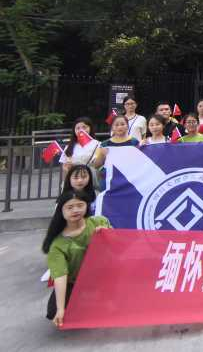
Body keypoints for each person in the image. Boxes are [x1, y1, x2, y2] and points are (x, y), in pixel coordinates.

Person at [43, 189, 111, 327]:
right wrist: (61, 309)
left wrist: (107, 235)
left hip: (101, 276)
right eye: (70, 207)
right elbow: (60, 276)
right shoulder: (57, 245)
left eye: (80, 205)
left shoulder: (99, 222)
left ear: (87, 206)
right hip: (74, 281)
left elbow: (119, 245)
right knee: (53, 311)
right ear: (61, 211)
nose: (75, 210)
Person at [93, 115, 140, 189]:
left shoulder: (134, 142)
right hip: (109, 182)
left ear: (127, 126)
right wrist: (102, 154)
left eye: (122, 124)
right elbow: (96, 165)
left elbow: (139, 163)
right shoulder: (104, 144)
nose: (119, 127)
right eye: (116, 125)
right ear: (112, 127)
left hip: (128, 181)